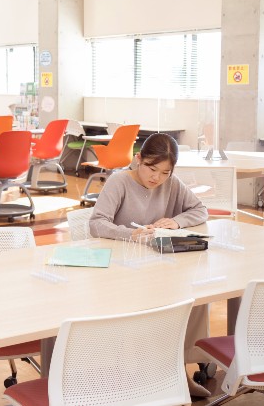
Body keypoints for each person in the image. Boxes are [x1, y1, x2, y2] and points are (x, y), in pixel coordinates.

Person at [88, 132, 212, 397]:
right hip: (121, 269)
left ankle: (178, 369)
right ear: (138, 159)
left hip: (158, 267)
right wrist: (129, 234)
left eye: (165, 172)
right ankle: (152, 373)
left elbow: (200, 210)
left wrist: (177, 222)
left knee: (194, 299)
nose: (156, 178)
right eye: (151, 168)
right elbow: (96, 223)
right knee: (164, 305)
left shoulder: (172, 184)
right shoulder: (119, 181)